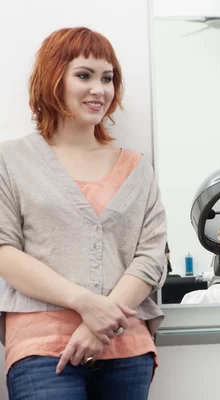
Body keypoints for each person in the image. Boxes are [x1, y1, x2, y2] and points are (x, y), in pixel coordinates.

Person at [0, 27, 167, 399]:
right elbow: (4, 251)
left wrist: (100, 326)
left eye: (107, 78)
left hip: (126, 346)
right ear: (53, 78)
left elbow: (151, 255)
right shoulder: (10, 160)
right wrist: (85, 303)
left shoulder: (137, 168)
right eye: (84, 75)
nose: (100, 90)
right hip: (42, 348)